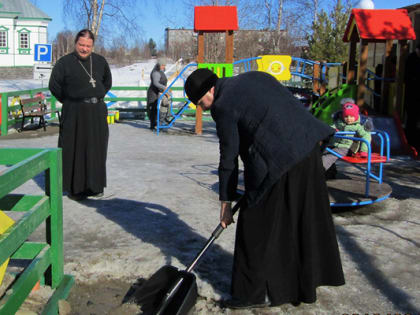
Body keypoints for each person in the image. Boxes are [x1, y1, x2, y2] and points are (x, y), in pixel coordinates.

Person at [184, 69, 345, 309]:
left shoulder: (223, 105)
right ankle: (301, 288)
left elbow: (228, 158)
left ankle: (250, 294)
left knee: (254, 226)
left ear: (210, 90)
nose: (203, 108)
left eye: (201, 102)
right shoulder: (254, 76)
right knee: (298, 220)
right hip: (309, 150)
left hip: (279, 159)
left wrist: (225, 204)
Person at [49, 29, 112, 200]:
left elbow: (107, 82)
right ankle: (75, 188)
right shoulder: (64, 63)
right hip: (74, 111)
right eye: (81, 45)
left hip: (96, 112)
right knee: (74, 149)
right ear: (75, 43)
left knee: (96, 149)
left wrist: (95, 96)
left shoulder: (100, 61)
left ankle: (95, 186)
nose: (84, 49)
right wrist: (70, 100)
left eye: (88, 46)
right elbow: (54, 85)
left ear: (92, 46)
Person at [322, 101, 372, 178]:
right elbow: (332, 127)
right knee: (322, 151)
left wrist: (364, 151)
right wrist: (331, 130)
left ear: (356, 116)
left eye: (351, 116)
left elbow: (366, 136)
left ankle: (320, 170)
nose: (349, 119)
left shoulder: (357, 126)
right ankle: (329, 173)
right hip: (335, 145)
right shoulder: (340, 122)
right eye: (346, 116)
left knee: (329, 156)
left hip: (347, 148)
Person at [404, 42, 420, 150]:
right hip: (412, 94)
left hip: (416, 94)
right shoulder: (411, 58)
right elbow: (408, 76)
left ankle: (414, 141)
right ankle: (410, 141)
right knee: (411, 118)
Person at [147, 58, 168, 130]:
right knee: (153, 108)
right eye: (162, 65)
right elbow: (155, 83)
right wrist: (164, 87)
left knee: (160, 107)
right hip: (153, 92)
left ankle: (159, 122)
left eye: (164, 65)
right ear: (159, 65)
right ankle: (153, 124)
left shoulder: (161, 71)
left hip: (159, 92)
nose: (164, 66)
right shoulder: (156, 72)